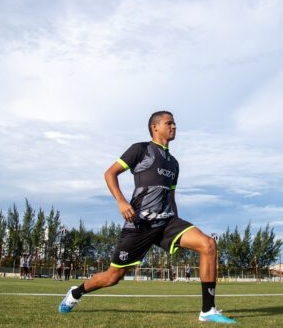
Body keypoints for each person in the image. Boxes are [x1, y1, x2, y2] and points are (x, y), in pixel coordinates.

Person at [59, 111, 235, 324]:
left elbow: (171, 195)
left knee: (208, 244)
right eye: (169, 123)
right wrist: (121, 201)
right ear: (155, 127)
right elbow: (110, 173)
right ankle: (76, 292)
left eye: (175, 123)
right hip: (139, 224)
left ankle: (208, 310)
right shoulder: (140, 149)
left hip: (168, 222)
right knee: (112, 277)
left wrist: (177, 225)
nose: (174, 126)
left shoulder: (174, 163)